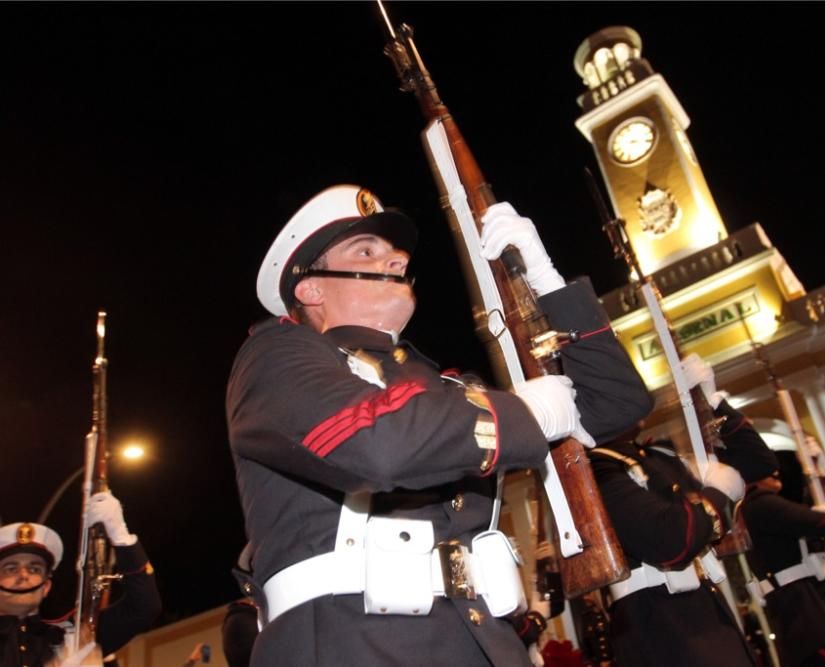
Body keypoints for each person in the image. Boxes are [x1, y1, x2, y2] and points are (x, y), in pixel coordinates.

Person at [226, 185, 652, 666]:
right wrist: (522, 413)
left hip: (482, 640)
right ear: (311, 288)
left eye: (396, 254)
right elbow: (379, 444)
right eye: (366, 250)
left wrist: (546, 281)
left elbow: (616, 403)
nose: (395, 261)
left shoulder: (444, 388)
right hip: (354, 642)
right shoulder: (276, 355)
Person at [586, 354, 756, 665]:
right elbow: (671, 540)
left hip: (704, 618)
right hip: (664, 630)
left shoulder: (656, 456)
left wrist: (712, 400)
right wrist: (716, 494)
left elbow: (758, 465)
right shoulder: (597, 468)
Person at [715, 426, 825, 666]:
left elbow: (803, 523)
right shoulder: (762, 505)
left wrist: (819, 477)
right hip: (815, 620)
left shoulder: (758, 507)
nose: (775, 470)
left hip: (813, 617)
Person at [0, 492, 161, 666]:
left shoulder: (69, 637)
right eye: (11, 569)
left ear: (46, 586)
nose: (24, 575)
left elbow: (143, 607)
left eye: (34, 569)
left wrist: (120, 536)